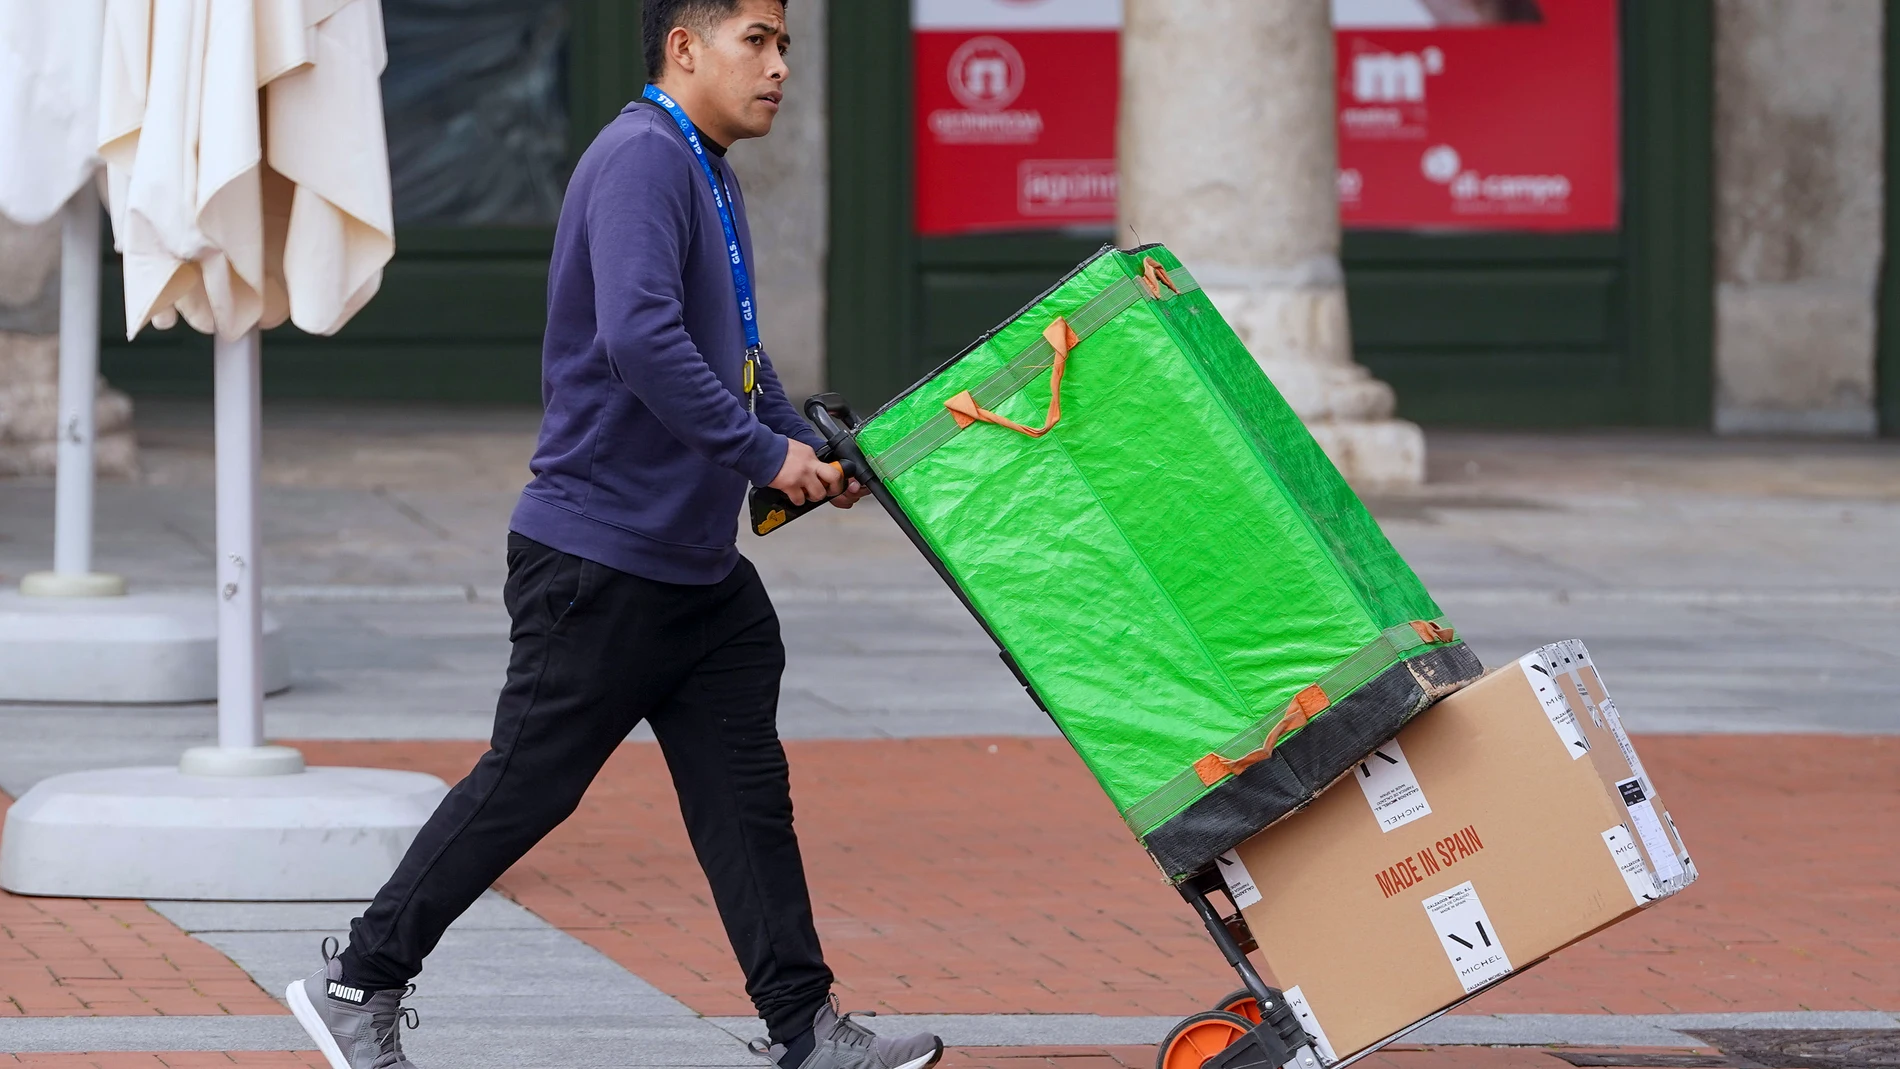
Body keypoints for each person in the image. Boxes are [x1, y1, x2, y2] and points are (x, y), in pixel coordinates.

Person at [285, 4, 943, 1069]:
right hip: (597, 557)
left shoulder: (706, 166)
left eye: (786, 46)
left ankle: (805, 1027)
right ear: (685, 47)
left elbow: (736, 351)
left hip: (691, 571)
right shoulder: (642, 157)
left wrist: (801, 447)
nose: (779, 66)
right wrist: (761, 457)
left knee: (745, 796)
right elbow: (641, 337)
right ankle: (358, 977)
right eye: (757, 41)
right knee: (528, 783)